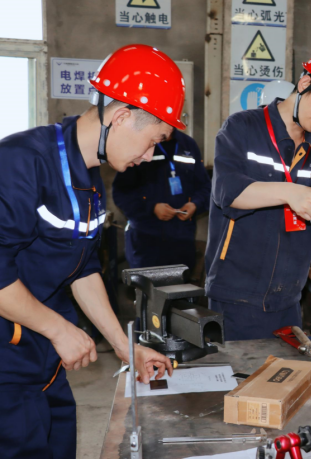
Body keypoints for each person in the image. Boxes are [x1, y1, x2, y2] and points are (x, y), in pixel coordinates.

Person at [0, 44, 175, 458]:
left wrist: (123, 345)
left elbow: (82, 268)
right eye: (153, 141)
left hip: (46, 359)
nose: (149, 156)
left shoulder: (90, 174)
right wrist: (60, 330)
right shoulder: (21, 162)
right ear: (121, 117)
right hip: (8, 366)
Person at [204, 47, 311, 341]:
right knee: (243, 371)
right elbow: (227, 192)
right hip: (238, 294)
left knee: (286, 369)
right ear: (304, 84)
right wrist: (290, 192)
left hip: (289, 298)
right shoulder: (242, 128)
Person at [113, 129, 211, 271]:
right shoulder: (139, 143)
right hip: (146, 243)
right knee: (148, 284)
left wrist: (195, 204)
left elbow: (205, 187)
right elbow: (121, 193)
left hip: (182, 241)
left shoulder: (188, 144)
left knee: (180, 284)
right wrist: (152, 208)